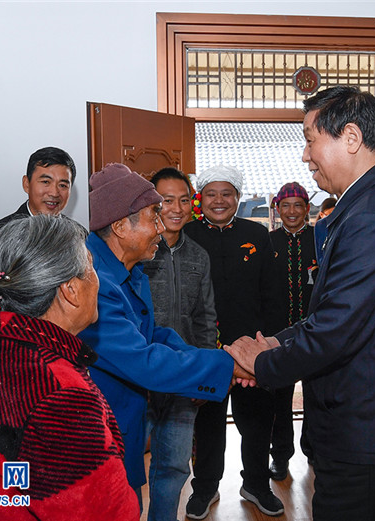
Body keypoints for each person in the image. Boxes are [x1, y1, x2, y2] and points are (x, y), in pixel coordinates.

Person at [226, 86, 375, 521]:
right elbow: (332, 313)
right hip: (370, 424)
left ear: (350, 138)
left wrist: (261, 363)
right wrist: (274, 342)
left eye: (310, 140)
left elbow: (336, 330)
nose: (305, 156)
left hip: (373, 432)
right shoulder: (372, 203)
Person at [77, 163, 247, 508]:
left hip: (128, 414)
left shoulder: (128, 269)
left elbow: (153, 334)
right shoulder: (94, 281)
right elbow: (143, 360)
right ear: (120, 226)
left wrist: (211, 359)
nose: (162, 225)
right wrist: (229, 366)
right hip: (99, 428)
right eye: (154, 215)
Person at [0, 215, 140, 520]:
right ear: (70, 289)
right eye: (91, 267)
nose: (98, 280)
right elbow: (106, 512)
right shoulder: (59, 393)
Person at [184, 165, 284, 519]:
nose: (219, 201)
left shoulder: (257, 234)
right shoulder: (187, 234)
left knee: (257, 421)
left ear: (238, 197)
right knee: (207, 422)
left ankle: (256, 484)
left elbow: (273, 294)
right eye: (211, 194)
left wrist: (268, 345)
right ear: (201, 199)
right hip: (205, 348)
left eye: (227, 193)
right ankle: (205, 488)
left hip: (251, 349)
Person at [142, 167, 218, 521]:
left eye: (184, 200)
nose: (176, 208)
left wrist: (204, 374)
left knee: (173, 467)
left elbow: (205, 319)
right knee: (125, 465)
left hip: (182, 377)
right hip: (139, 378)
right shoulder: (137, 250)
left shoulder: (199, 256)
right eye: (166, 200)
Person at [268, 182, 317, 480]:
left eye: (298, 205)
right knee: (280, 399)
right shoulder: (268, 242)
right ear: (277, 209)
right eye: (285, 206)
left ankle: (314, 449)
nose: (292, 211)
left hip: (317, 332)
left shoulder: (320, 240)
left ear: (307, 209)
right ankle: (280, 455)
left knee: (316, 395)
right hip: (278, 332)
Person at [0, 146, 76, 282]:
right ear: (26, 184)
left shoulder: (78, 236)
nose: (54, 193)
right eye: (46, 182)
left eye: (63, 185)